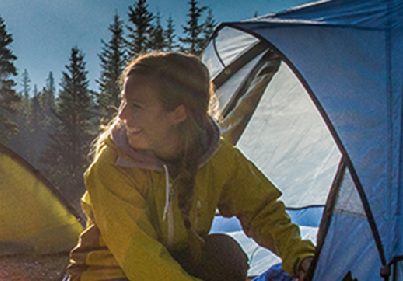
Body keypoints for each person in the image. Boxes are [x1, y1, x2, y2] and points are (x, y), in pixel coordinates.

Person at [65, 51, 314, 281]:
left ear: (178, 114)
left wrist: (299, 255)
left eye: (137, 106)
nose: (122, 116)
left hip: (172, 261)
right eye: (124, 102)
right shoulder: (112, 165)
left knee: (225, 254)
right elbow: (139, 256)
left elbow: (261, 209)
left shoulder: (215, 156)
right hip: (107, 273)